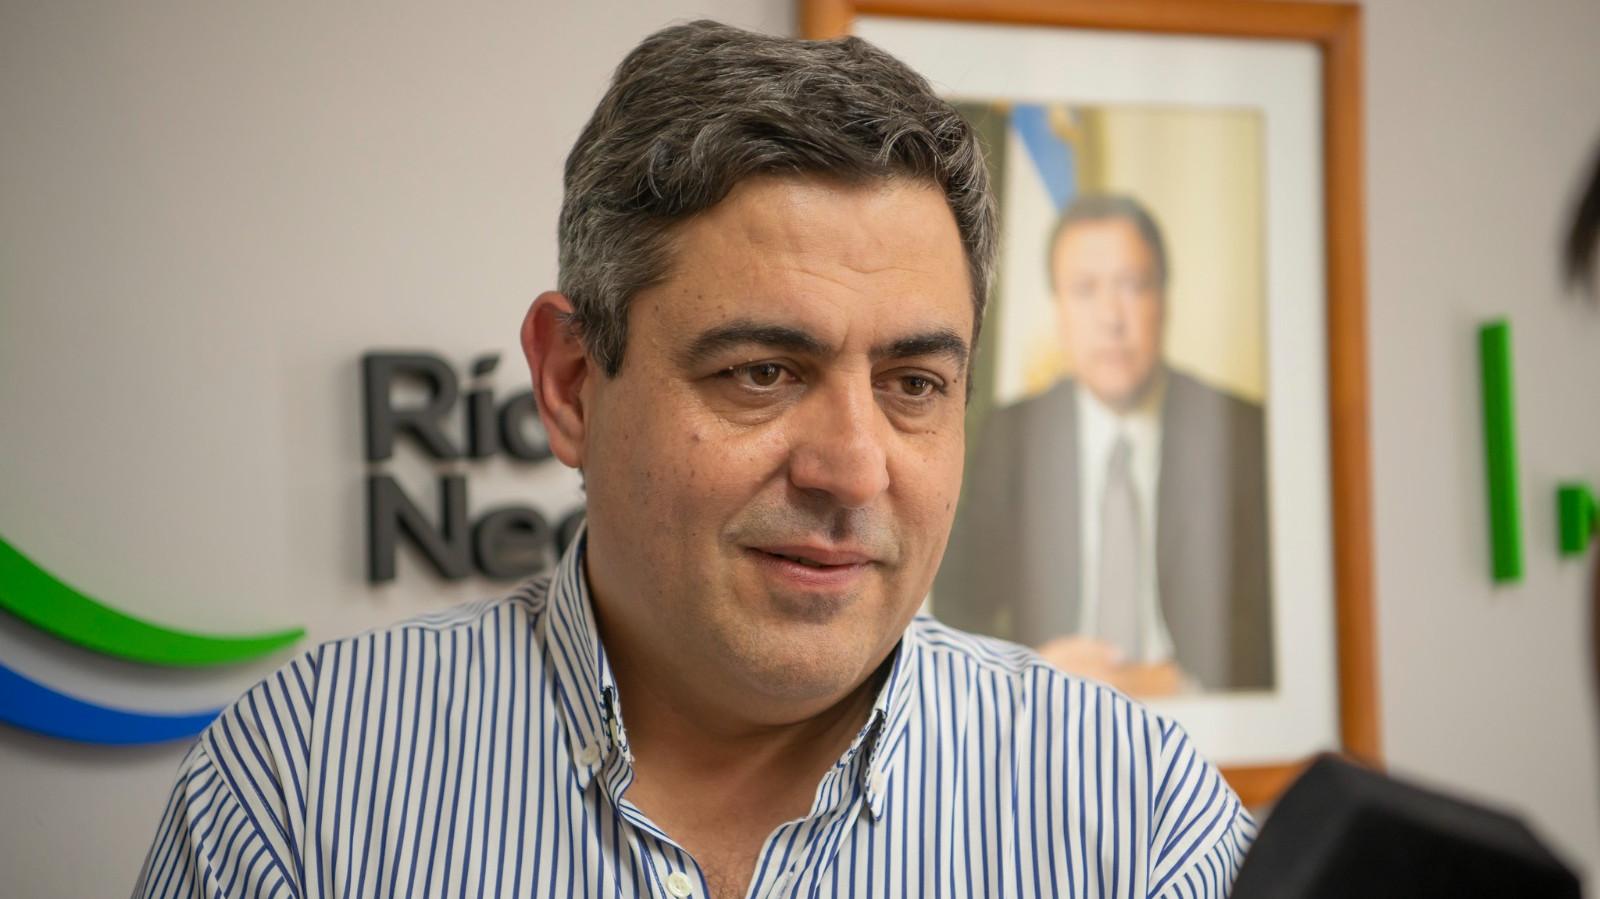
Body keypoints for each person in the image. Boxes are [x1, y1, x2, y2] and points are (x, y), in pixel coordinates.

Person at [134, 22, 1252, 898]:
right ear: (573, 382)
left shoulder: (1138, 817)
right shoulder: (303, 785)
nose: (852, 468)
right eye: (762, 371)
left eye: (913, 384)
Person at [937, 194, 1274, 694]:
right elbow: (954, 606)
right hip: (1053, 712)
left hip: (1198, 711)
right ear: (1059, 311)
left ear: (1164, 300)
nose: (1111, 319)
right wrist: (1030, 669)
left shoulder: (1240, 432)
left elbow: (1281, 623)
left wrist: (1182, 683)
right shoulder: (1014, 436)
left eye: (1133, 286)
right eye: (1085, 290)